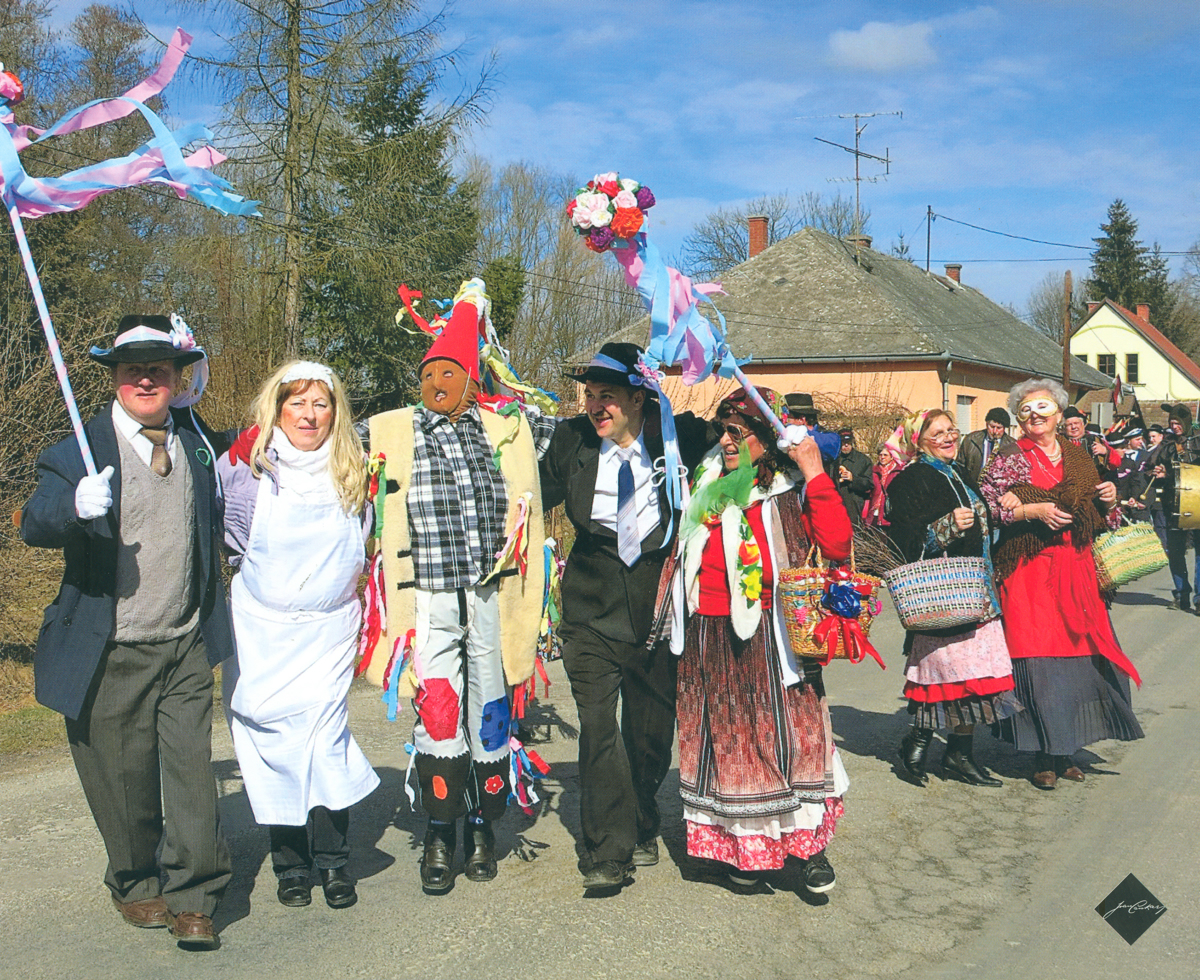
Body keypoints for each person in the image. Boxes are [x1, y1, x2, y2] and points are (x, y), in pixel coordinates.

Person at [19, 315, 232, 949]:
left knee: (192, 773)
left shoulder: (197, 446)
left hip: (187, 643)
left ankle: (195, 894)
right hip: (109, 650)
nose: (146, 377)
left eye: (159, 367)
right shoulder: (76, 451)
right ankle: (138, 882)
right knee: (123, 779)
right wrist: (73, 506)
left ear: (176, 378)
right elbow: (34, 520)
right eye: (132, 366)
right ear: (114, 376)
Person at [364, 280, 552, 894]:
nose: (436, 384)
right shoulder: (394, 429)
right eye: (429, 373)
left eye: (451, 373)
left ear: (474, 381)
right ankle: (439, 833)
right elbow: (327, 446)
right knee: (439, 710)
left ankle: (483, 827)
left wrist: (478, 321)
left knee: (490, 710)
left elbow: (559, 425)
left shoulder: (505, 427)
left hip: (490, 594)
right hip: (429, 598)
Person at [539, 342, 712, 891]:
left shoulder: (678, 437)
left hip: (656, 613)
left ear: (639, 397)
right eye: (589, 395)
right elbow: (527, 488)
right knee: (597, 725)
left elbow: (752, 434)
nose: (594, 406)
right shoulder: (571, 441)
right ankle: (607, 851)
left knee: (648, 734)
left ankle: (640, 817)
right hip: (589, 610)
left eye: (606, 395)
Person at [675, 387, 851, 893]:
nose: (727, 441)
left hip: (775, 636)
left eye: (737, 431)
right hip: (709, 631)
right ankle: (741, 847)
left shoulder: (792, 487)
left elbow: (838, 543)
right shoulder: (705, 483)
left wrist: (816, 471)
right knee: (727, 743)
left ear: (766, 438)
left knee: (793, 741)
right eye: (722, 431)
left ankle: (809, 850)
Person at [218, 361, 379, 910]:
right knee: (275, 747)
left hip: (329, 633)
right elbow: (228, 535)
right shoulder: (245, 470)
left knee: (324, 744)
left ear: (336, 412)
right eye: (298, 403)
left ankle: (334, 863)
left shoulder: (355, 470)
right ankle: (291, 865)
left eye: (321, 404)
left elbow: (366, 542)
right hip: (262, 631)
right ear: (277, 407)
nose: (310, 415)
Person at [980, 378, 1143, 789]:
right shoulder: (1008, 458)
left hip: (1077, 565)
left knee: (1080, 653)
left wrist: (1108, 499)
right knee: (1036, 657)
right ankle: (1042, 753)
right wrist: (1031, 510)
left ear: (1059, 413)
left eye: (1043, 409)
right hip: (1029, 570)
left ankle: (1066, 747)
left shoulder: (1080, 456)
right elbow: (989, 509)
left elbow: (1104, 517)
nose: (1035, 417)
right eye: (1026, 411)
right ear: (1018, 418)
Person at [884, 410, 1018, 787]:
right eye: (937, 432)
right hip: (941, 593)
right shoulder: (910, 479)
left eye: (951, 430)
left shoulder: (959, 472)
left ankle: (960, 751)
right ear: (918, 440)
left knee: (975, 675)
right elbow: (901, 539)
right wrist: (942, 529)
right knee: (940, 673)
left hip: (975, 591)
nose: (948, 437)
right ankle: (919, 740)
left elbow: (982, 520)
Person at [1152, 404, 1200, 612]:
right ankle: (1181, 594)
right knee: (1176, 552)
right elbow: (1151, 473)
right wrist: (1159, 473)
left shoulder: (1198, 441)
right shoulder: (1167, 446)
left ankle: (1199, 599)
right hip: (1173, 505)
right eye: (1171, 423)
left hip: (1198, 504)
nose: (1175, 426)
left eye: (1178, 423)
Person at [956, 407, 1015, 485]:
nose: (995, 431)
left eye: (999, 428)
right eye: (992, 427)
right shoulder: (971, 439)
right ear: (987, 424)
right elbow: (959, 466)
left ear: (1004, 428)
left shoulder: (1013, 446)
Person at [830, 427, 873, 525]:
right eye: (843, 442)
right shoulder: (832, 459)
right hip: (834, 504)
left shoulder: (863, 460)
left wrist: (853, 479)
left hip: (853, 505)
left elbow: (869, 484)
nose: (846, 445)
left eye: (848, 442)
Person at [865, 444, 900, 526]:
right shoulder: (874, 471)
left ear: (892, 457)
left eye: (885, 455)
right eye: (880, 455)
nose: (882, 457)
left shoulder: (897, 472)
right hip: (873, 511)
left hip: (889, 512)